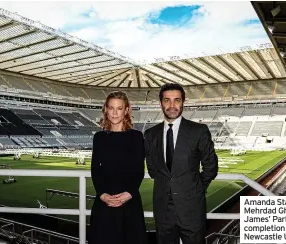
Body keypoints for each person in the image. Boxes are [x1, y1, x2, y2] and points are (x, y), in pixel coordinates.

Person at [144, 84, 218, 244]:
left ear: (183, 102)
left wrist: (195, 187)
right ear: (161, 103)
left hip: (192, 208)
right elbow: (152, 169)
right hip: (163, 210)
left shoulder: (198, 131)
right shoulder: (150, 134)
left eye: (176, 100)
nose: (172, 105)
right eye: (167, 100)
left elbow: (211, 166)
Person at [88, 91, 147, 244]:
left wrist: (129, 193)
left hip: (130, 203)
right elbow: (95, 170)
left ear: (126, 110)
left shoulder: (136, 137)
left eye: (119, 108)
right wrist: (102, 194)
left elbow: (139, 170)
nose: (114, 113)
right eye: (111, 108)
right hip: (104, 204)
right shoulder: (99, 137)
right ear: (105, 109)